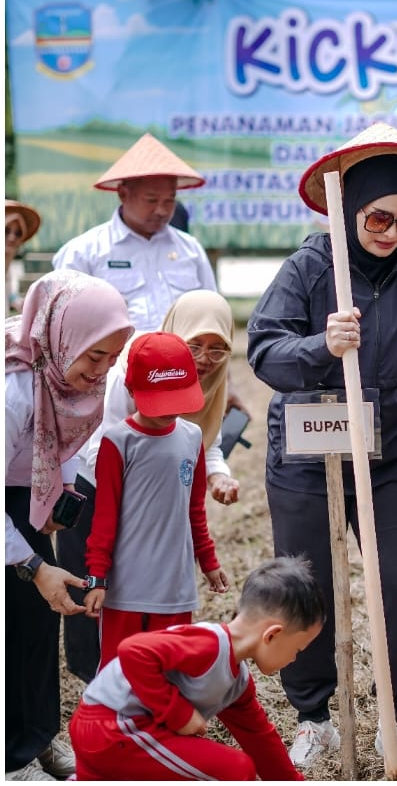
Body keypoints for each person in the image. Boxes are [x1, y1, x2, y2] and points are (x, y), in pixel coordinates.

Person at [248, 122, 397, 773]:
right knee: (305, 584)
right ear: (350, 210)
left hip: (390, 453)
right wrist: (322, 345)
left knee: (395, 583)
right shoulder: (311, 266)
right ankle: (314, 717)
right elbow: (263, 348)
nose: (392, 230)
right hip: (309, 454)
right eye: (379, 216)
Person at [63, 289, 241, 682]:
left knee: (169, 662)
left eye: (218, 349)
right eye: (196, 345)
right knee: (118, 667)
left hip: (173, 581)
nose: (206, 358)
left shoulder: (191, 435)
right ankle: (110, 720)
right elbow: (105, 512)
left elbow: (195, 501)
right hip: (123, 569)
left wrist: (209, 563)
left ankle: (159, 727)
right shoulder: (118, 433)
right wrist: (98, 577)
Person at [5, 270, 133, 782]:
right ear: (61, 336)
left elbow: (59, 446)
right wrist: (34, 565)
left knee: (36, 624)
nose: (101, 371)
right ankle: (10, 762)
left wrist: (60, 497)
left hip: (21, 497)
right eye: (93, 355)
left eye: (112, 357)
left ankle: (36, 737)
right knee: (8, 627)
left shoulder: (62, 376)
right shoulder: (13, 389)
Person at [67, 557, 323, 781]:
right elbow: (134, 651)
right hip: (114, 726)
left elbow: (259, 738)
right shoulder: (208, 644)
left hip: (119, 734)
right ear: (272, 635)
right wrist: (179, 714)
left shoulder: (237, 681)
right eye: (297, 650)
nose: (293, 659)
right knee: (235, 769)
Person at [52, 133, 216, 333]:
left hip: (184, 362)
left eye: (169, 200)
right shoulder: (83, 253)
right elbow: (64, 327)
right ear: (123, 195)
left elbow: (211, 314)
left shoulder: (190, 249)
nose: (162, 210)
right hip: (116, 363)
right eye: (151, 200)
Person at [5, 199, 42, 314]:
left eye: (18, 233)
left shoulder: (8, 268)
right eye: (6, 230)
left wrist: (18, 302)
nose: (12, 238)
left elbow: (10, 295)